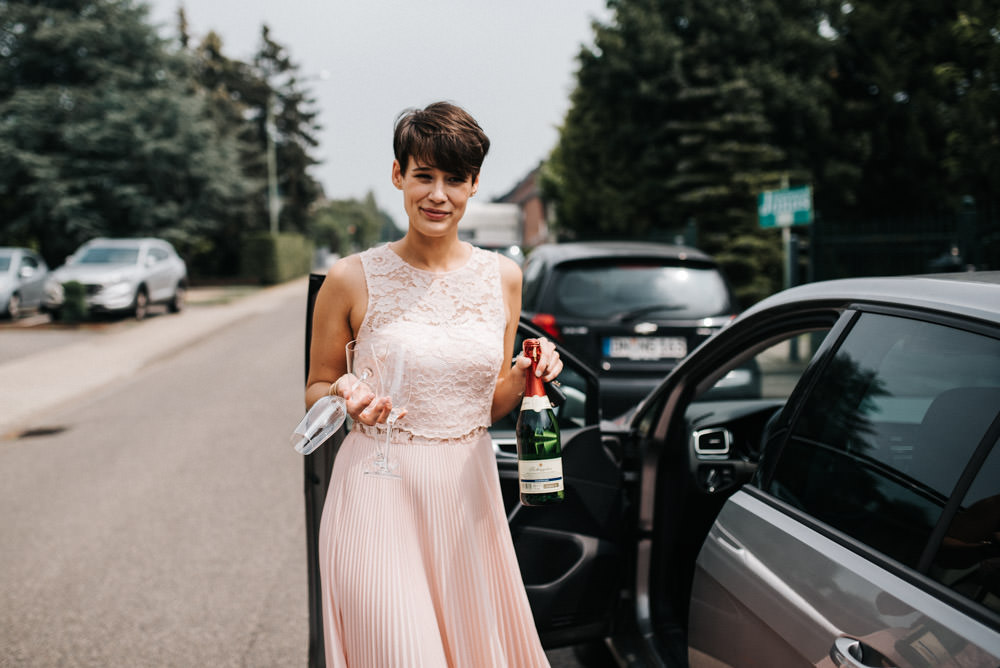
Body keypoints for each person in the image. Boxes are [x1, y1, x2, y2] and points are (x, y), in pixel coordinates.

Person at [306, 101, 563, 667]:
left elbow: (486, 402)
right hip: (376, 490)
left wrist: (527, 376)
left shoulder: (503, 277)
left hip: (466, 494)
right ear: (398, 175)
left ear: (474, 185)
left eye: (454, 179)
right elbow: (317, 385)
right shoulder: (349, 277)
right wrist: (345, 395)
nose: (437, 194)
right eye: (423, 175)